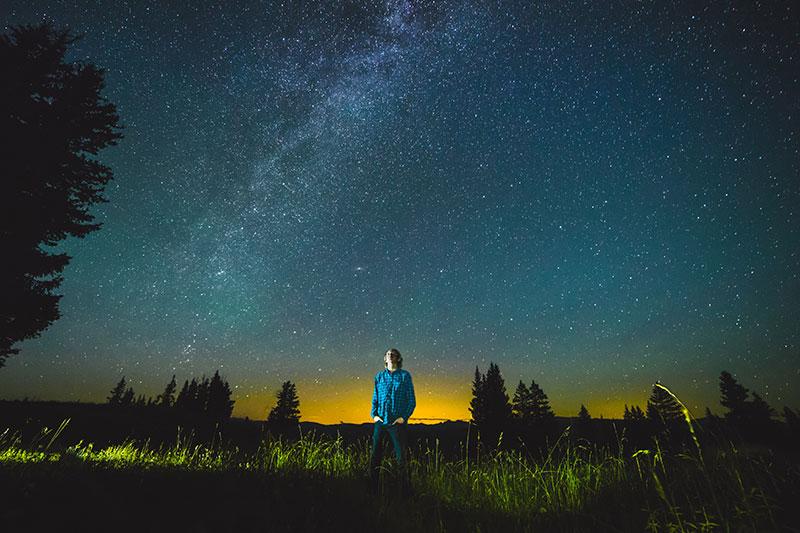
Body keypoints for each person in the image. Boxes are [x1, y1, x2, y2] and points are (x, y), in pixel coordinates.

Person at [370, 348, 416, 487]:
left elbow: (411, 401)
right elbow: (375, 398)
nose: (390, 355)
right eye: (388, 354)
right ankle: (372, 487)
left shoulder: (404, 376)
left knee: (401, 457)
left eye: (393, 354)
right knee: (375, 455)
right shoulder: (379, 377)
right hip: (381, 421)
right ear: (385, 358)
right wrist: (374, 415)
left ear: (398, 358)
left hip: (397, 423)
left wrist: (403, 418)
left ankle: (405, 489)